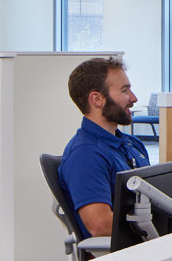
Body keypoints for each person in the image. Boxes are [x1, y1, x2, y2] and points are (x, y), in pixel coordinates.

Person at [57, 57, 152, 239]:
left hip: (150, 242)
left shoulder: (132, 144)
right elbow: (100, 226)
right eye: (125, 91)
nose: (134, 98)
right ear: (97, 99)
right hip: (125, 256)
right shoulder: (85, 155)